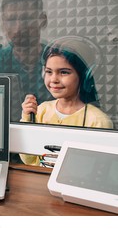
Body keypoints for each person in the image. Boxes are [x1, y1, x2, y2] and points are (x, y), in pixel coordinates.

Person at [20, 36, 114, 165]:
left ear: (84, 76)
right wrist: (27, 118)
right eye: (49, 72)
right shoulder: (41, 110)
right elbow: (28, 160)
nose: (54, 79)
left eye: (63, 72)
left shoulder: (98, 121)